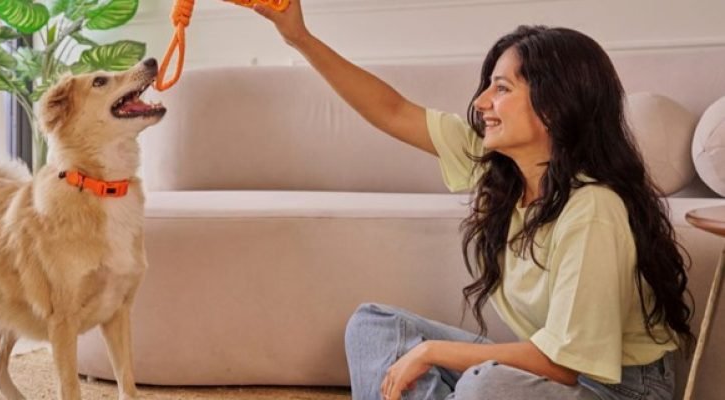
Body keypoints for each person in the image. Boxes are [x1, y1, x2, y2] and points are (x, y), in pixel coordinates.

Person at [252, 2, 694, 399]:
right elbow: (390, 110)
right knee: (374, 326)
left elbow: (564, 365)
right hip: (551, 374)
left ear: (555, 106)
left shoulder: (593, 208)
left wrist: (430, 352)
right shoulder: (498, 170)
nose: (481, 101)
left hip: (617, 388)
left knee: (487, 383)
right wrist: (299, 38)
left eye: (501, 88)